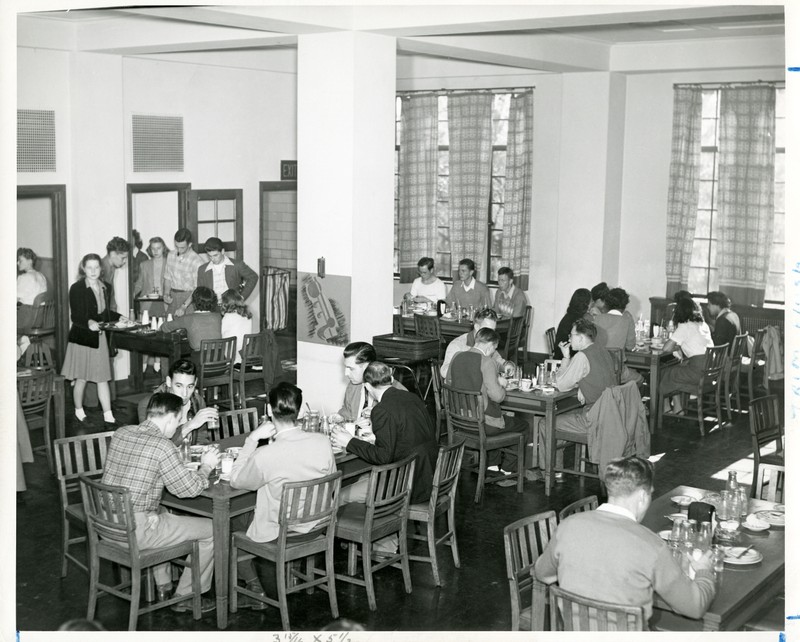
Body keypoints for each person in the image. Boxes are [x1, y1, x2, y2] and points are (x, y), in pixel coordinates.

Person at [534, 456, 716, 624]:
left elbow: (543, 573)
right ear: (643, 496)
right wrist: (703, 571)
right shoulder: (652, 546)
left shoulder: (567, 526)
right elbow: (694, 607)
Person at [102, 392, 220, 613]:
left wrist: (152, 509)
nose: (177, 427)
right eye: (178, 421)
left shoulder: (121, 432)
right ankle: (186, 595)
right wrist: (207, 466)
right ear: (169, 419)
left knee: (163, 511)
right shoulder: (162, 446)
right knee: (215, 529)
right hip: (135, 533)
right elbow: (188, 489)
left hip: (107, 525)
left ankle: (164, 585)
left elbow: (129, 480)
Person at [229, 382, 336, 605]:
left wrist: (251, 440)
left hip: (283, 535)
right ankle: (291, 576)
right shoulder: (323, 442)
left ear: (269, 410)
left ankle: (254, 587)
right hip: (316, 528)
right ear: (300, 411)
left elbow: (236, 480)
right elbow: (331, 483)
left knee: (232, 523)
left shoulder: (266, 454)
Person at [331, 361, 438, 551]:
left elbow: (383, 457)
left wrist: (349, 441)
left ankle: (377, 546)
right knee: (365, 478)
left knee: (339, 495)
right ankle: (375, 542)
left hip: (405, 485)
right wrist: (377, 434)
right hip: (427, 474)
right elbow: (409, 434)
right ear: (391, 380)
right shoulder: (411, 397)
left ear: (366, 386)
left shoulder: (382, 410)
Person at [536, 318, 617, 472]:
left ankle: (548, 471)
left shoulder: (582, 356)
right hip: (610, 413)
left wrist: (565, 357)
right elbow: (589, 375)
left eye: (571, 335)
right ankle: (556, 469)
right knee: (560, 417)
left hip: (594, 418)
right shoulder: (601, 350)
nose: (568, 338)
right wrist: (581, 384)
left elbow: (560, 384)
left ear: (580, 338)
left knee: (546, 422)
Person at [447, 328, 528, 475]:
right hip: (482, 424)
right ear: (490, 345)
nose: (493, 352)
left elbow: (449, 382)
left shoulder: (457, 356)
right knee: (521, 425)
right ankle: (507, 469)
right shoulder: (487, 362)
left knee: (494, 414)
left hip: (460, 421)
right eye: (494, 349)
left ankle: (492, 465)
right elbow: (498, 397)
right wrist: (501, 384)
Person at [61, 253, 125, 425]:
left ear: (101, 268)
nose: (93, 271)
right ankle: (78, 410)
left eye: (96, 267)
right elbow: (76, 316)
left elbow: (105, 313)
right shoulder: (77, 288)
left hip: (99, 338)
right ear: (83, 268)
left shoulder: (106, 287)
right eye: (89, 267)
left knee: (102, 377)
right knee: (81, 378)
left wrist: (121, 318)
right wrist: (88, 321)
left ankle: (108, 414)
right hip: (82, 338)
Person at [136, 358, 218, 445]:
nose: (185, 394)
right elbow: (154, 446)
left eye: (190, 386)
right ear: (169, 382)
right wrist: (189, 425)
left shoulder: (198, 401)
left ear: (196, 382)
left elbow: (201, 438)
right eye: (179, 386)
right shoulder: (149, 405)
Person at [659, 298, 715, 415]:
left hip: (698, 372)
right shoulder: (703, 324)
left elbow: (666, 348)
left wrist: (674, 346)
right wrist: (677, 346)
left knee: (664, 371)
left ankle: (666, 408)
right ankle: (677, 408)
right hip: (711, 371)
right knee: (675, 370)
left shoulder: (685, 325)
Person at [329, 342, 406, 425]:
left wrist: (373, 422)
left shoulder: (398, 392)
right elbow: (347, 411)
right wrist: (340, 418)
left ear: (367, 367)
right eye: (346, 368)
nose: (346, 373)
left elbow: (399, 427)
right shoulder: (353, 386)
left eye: (351, 369)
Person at [440, 307, 513, 379]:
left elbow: (499, 361)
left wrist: (507, 365)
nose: (491, 334)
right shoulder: (458, 345)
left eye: (493, 331)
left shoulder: (488, 343)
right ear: (477, 327)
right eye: (487, 330)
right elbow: (444, 373)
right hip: (460, 389)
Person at [159, 286, 222, 364]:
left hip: (200, 364)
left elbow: (165, 327)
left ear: (194, 303)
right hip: (220, 362)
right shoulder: (218, 317)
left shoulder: (189, 318)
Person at [197, 236, 258, 304]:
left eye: (215, 255)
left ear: (222, 251)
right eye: (209, 256)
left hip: (231, 306)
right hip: (212, 307)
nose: (212, 259)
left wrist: (241, 298)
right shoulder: (202, 269)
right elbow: (200, 293)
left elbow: (253, 277)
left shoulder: (237, 265)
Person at [164, 228, 203, 317]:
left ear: (189, 244)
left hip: (189, 299)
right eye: (176, 246)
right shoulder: (170, 255)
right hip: (173, 297)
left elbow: (197, 288)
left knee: (187, 327)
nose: (179, 250)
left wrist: (184, 306)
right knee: (169, 325)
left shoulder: (197, 261)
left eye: (182, 247)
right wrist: (166, 294)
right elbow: (167, 277)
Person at [133, 236, 169, 325]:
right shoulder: (144, 265)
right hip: (148, 303)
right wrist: (131, 295)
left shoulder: (170, 263)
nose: (155, 251)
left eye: (158, 248)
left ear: (163, 248)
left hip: (164, 303)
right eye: (153, 248)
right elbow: (139, 284)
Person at [220, 289, 253, 365]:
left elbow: (222, 334)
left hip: (232, 355)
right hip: (245, 353)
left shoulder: (227, 317)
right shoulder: (248, 315)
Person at [554, 288, 592, 352]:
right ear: (585, 304)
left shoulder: (571, 315)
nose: (591, 305)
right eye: (591, 302)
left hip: (564, 352)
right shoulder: (576, 320)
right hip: (565, 355)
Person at [100, 236, 130, 311]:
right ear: (113, 254)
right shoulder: (99, 269)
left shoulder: (112, 268)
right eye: (122, 258)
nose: (124, 261)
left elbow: (111, 294)